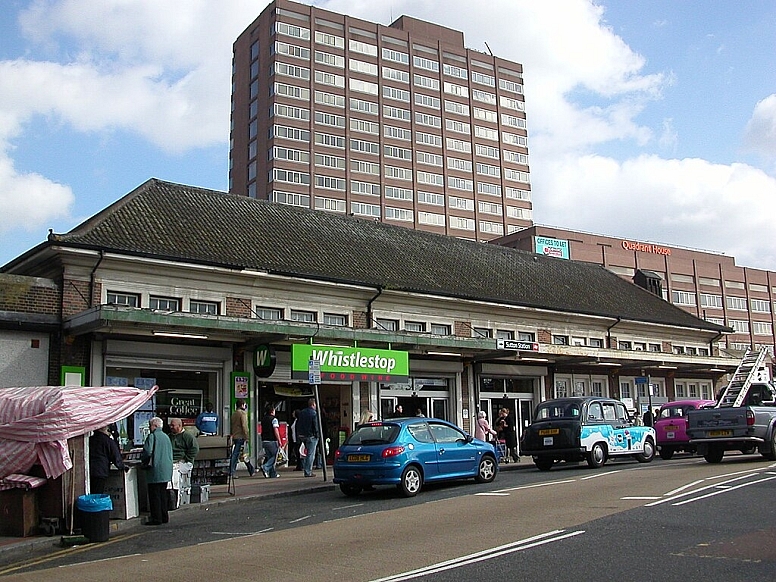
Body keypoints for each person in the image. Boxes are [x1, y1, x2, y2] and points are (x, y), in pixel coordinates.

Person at [141, 416, 173, 526]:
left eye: (150, 425)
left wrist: (143, 460)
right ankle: (164, 516)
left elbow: (147, 451)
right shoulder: (166, 436)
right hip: (166, 470)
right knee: (163, 494)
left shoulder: (152, 436)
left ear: (155, 426)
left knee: (154, 495)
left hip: (155, 470)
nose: (149, 427)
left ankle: (156, 518)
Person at [169, 417, 199, 508]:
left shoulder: (187, 436)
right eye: (170, 425)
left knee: (174, 472)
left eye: (173, 425)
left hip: (184, 462)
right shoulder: (169, 436)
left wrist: (186, 458)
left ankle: (175, 499)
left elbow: (195, 449)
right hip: (172, 461)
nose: (171, 427)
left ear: (179, 426)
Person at [89, 426, 125, 494]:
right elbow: (115, 456)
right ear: (106, 429)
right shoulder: (107, 440)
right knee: (98, 494)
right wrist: (122, 466)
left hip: (89, 471)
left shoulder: (90, 439)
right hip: (101, 471)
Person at [296, 398, 319, 478]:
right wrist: (317, 435)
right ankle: (308, 471)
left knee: (306, 453)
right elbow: (315, 425)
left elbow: (298, 424)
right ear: (313, 404)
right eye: (315, 404)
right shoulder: (314, 414)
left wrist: (299, 434)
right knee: (310, 454)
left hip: (302, 435)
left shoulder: (302, 412)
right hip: (311, 436)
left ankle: (306, 468)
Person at [229, 400, 252, 478]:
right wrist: (247, 436)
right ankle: (232, 472)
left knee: (241, 454)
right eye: (245, 404)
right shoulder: (242, 413)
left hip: (235, 436)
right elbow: (244, 426)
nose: (245, 406)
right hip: (241, 436)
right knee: (239, 455)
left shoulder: (234, 414)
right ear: (242, 405)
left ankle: (251, 470)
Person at [260, 404, 282, 478]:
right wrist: (279, 440)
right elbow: (276, 430)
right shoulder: (274, 419)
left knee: (269, 457)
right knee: (274, 457)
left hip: (264, 440)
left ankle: (272, 474)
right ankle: (265, 467)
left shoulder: (263, 419)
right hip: (272, 440)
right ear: (272, 411)